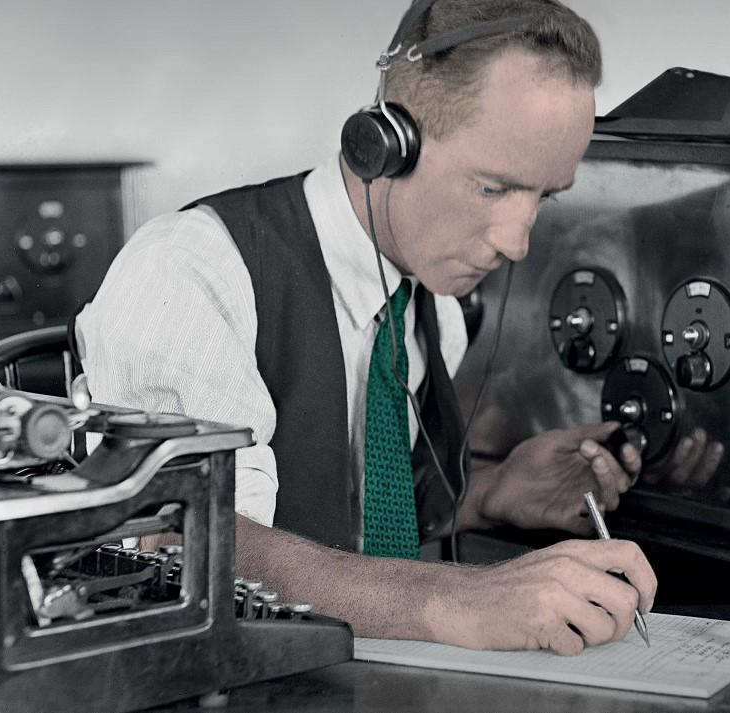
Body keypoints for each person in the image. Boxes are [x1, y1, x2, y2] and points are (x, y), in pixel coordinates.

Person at [76, 0, 658, 656]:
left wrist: (494, 493)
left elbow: (349, 509)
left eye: (543, 196)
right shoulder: (192, 269)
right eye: (494, 189)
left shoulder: (430, 303)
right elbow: (177, 545)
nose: (517, 242)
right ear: (385, 145)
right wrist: (455, 597)